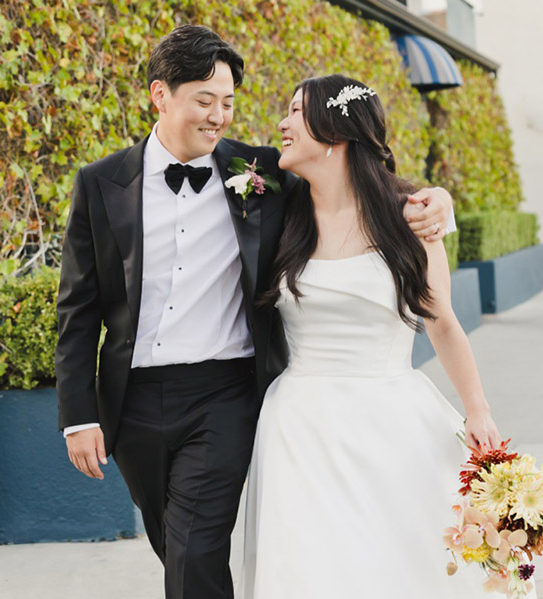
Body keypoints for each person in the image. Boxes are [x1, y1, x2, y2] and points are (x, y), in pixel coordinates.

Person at [55, 27, 454, 599]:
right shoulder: (101, 184)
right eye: (204, 100)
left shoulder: (261, 173)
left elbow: (354, 179)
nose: (219, 116)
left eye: (229, 103)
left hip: (225, 393)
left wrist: (437, 199)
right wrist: (78, 415)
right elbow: (78, 309)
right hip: (134, 401)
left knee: (196, 546)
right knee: (175, 545)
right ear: (160, 95)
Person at [240, 74, 529, 598]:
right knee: (313, 568)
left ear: (337, 133)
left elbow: (441, 321)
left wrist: (478, 409)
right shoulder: (280, 210)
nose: (281, 123)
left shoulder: (411, 216)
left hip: (391, 419)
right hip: (299, 429)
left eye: (296, 111)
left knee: (400, 561)